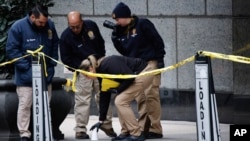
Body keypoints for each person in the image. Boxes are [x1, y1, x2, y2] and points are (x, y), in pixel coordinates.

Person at [108, 2, 166, 139]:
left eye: (117, 19)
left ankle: (155, 129)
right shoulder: (122, 31)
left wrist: (160, 60)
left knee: (150, 96)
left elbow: (158, 41)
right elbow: (124, 51)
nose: (116, 22)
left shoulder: (143, 24)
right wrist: (116, 39)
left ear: (125, 16)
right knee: (141, 97)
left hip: (150, 63)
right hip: (136, 66)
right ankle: (143, 129)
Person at [59, 11, 117, 139]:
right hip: (83, 69)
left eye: (77, 26)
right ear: (68, 24)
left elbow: (100, 43)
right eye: (72, 26)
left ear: (82, 21)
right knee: (82, 100)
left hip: (99, 66)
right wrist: (82, 65)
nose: (75, 29)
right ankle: (80, 129)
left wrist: (99, 59)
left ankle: (107, 125)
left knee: (103, 96)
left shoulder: (91, 26)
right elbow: (66, 59)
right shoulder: (65, 37)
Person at [5, 4, 59, 141]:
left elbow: (54, 46)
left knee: (45, 105)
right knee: (25, 105)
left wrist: (51, 66)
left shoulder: (49, 25)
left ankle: (44, 131)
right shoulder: (18, 27)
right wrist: (28, 69)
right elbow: (12, 51)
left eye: (45, 22)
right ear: (32, 17)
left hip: (45, 74)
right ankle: (24, 134)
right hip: (26, 76)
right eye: (40, 22)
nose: (43, 25)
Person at [81, 54, 154, 141]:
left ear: (90, 69)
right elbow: (104, 95)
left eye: (86, 75)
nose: (87, 78)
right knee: (119, 100)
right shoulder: (100, 73)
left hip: (143, 72)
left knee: (120, 101)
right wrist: (101, 120)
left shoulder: (108, 64)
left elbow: (129, 76)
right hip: (135, 75)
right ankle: (125, 132)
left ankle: (136, 133)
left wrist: (118, 90)